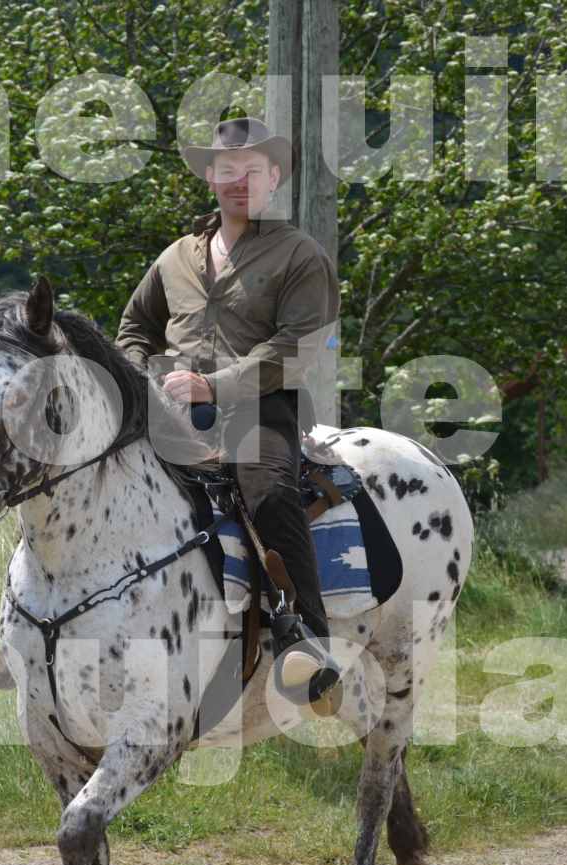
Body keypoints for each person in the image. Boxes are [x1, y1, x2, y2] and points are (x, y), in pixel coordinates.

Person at [115, 115, 343, 703]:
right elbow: (133, 328)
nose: (239, 182)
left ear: (273, 179)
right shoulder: (176, 257)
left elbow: (297, 347)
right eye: (227, 171)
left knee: (266, 489)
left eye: (253, 172)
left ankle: (308, 644)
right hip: (169, 411)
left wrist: (213, 386)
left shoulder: (300, 255)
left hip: (261, 410)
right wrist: (148, 380)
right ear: (212, 179)